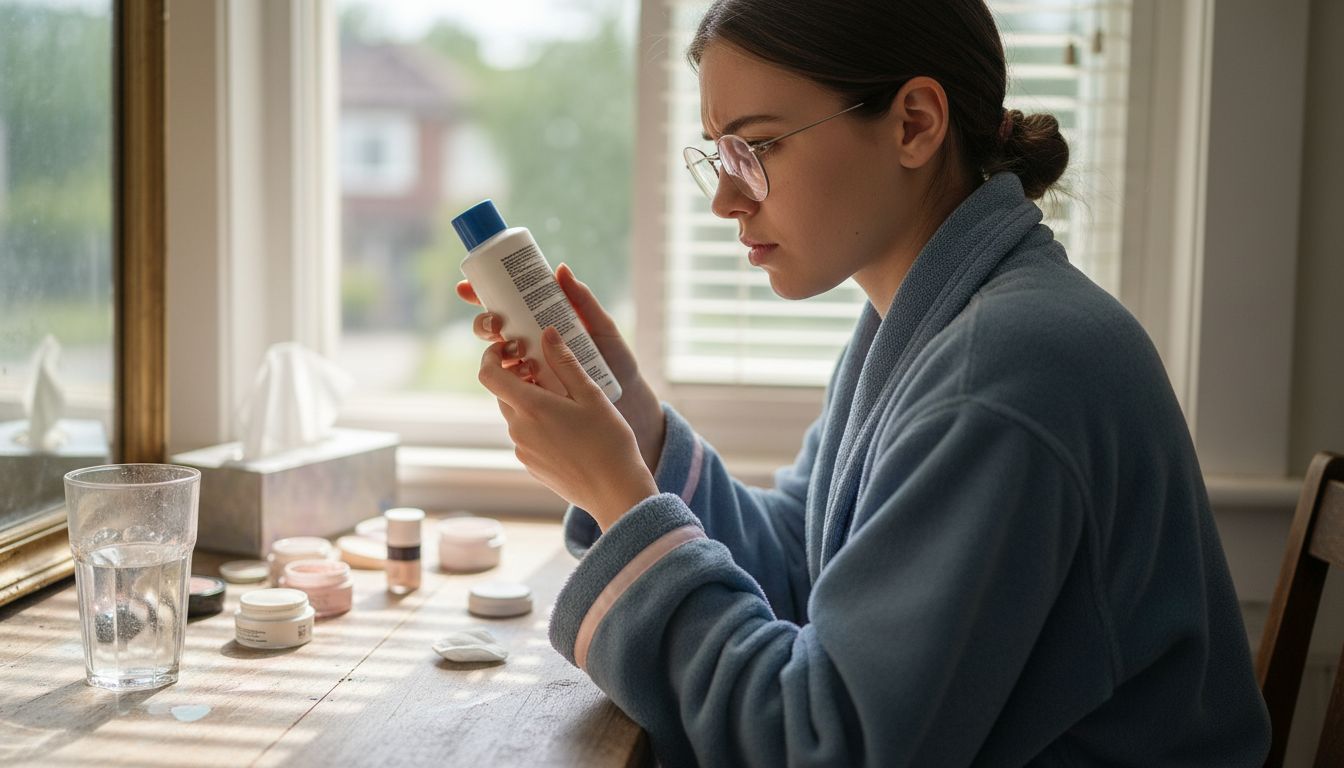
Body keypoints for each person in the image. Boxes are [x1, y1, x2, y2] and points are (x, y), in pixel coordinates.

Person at [457, 1, 1271, 764]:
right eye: (720, 154)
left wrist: (619, 495)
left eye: (759, 146)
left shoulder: (1002, 374)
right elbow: (809, 571)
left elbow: (826, 743)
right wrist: (635, 428)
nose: (726, 199)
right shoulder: (929, 318)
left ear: (914, 123)